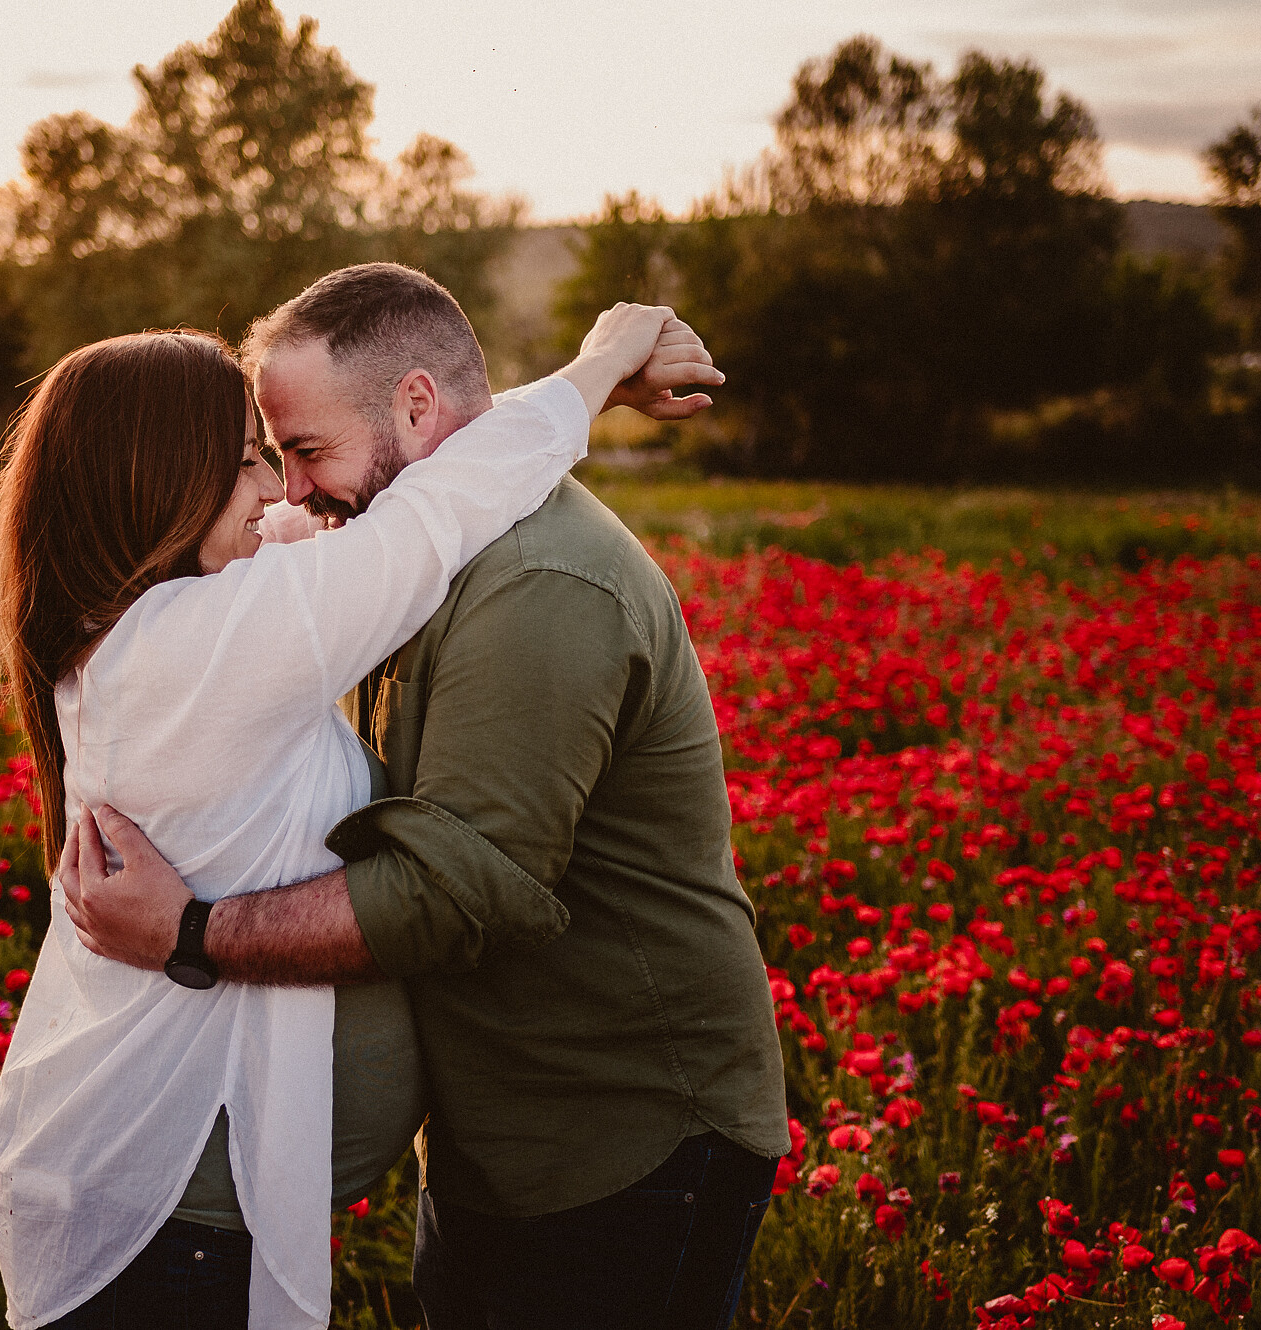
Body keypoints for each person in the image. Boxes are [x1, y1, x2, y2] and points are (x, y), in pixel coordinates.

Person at [61, 262, 791, 1330]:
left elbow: (458, 893)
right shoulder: (421, 549)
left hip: (617, 1137)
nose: (296, 490)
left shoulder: (534, 582)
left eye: (307, 451)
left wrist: (192, 929)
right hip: (506, 1128)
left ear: (415, 406)